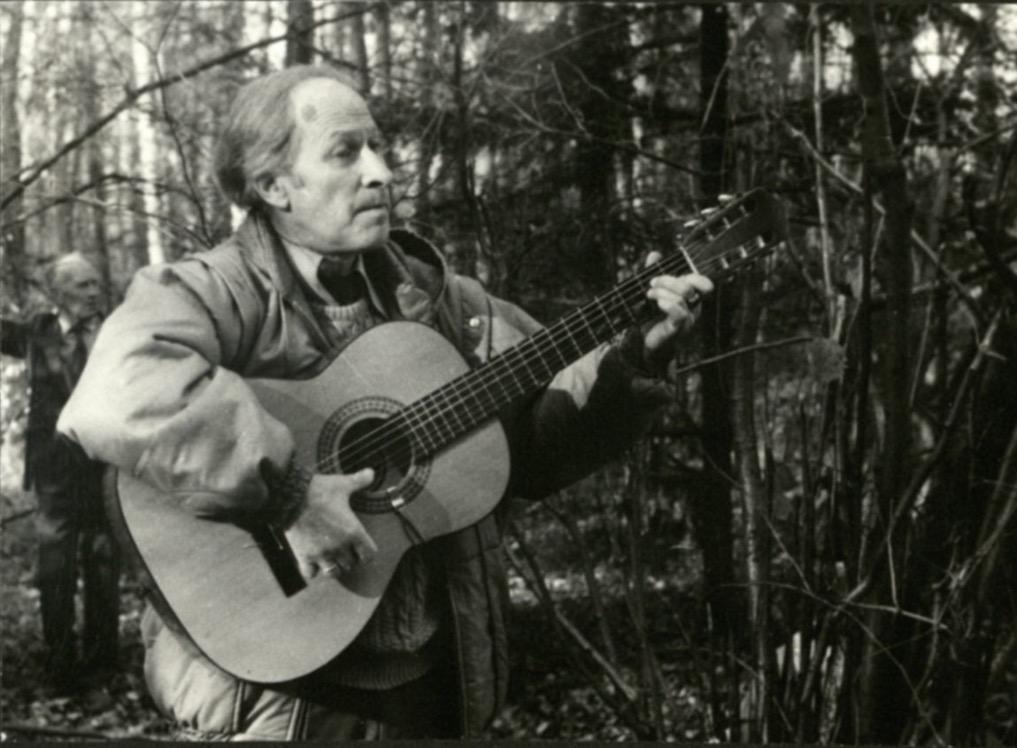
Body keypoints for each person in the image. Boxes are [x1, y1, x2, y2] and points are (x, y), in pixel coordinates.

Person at [57, 64, 713, 740]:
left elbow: (536, 450)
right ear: (274, 185)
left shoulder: (448, 304)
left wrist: (632, 361)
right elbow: (117, 391)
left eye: (378, 147)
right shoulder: (215, 291)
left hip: (430, 688)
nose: (380, 172)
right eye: (346, 152)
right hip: (278, 696)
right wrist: (291, 494)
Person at [1, 252, 120, 695]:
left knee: (103, 566)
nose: (94, 293)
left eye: (95, 283)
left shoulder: (118, 332)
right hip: (55, 475)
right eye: (82, 285)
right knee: (56, 570)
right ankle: (60, 666)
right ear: (57, 293)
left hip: (106, 469)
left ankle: (102, 665)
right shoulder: (39, 332)